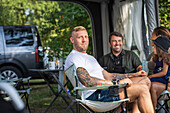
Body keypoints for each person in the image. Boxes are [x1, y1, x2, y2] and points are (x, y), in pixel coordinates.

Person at [64, 26, 154, 113]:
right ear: (72, 40)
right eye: (80, 37)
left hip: (105, 90)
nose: (84, 40)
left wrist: (134, 75)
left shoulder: (90, 58)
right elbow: (87, 81)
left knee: (145, 80)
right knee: (142, 89)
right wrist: (116, 83)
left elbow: (109, 76)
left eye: (86, 37)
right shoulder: (74, 57)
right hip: (96, 96)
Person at [149, 27, 170, 110]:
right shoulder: (156, 58)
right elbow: (155, 70)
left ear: (159, 48)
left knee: (153, 86)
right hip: (158, 80)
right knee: (146, 84)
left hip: (165, 82)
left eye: (154, 47)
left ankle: (152, 109)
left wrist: (151, 76)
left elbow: (164, 72)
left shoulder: (165, 59)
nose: (152, 48)